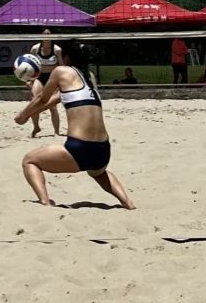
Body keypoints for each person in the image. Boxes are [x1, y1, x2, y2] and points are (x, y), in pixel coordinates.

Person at [14, 41, 135, 209]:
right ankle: (128, 203)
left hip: (79, 149)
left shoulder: (61, 71)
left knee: (29, 161)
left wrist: (22, 116)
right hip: (103, 151)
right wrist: (28, 115)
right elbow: (54, 100)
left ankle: (45, 203)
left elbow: (42, 97)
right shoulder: (89, 77)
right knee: (98, 173)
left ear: (66, 58)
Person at [27, 29, 63, 138]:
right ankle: (36, 127)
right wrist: (29, 80)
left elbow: (62, 66)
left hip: (52, 78)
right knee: (34, 102)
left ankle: (56, 132)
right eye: (44, 34)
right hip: (39, 77)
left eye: (49, 34)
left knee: (52, 106)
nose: (46, 36)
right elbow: (29, 65)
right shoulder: (35, 49)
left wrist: (61, 81)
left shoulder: (57, 50)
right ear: (41, 36)